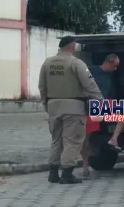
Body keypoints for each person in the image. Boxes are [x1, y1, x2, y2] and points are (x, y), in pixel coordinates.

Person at [38, 36, 103, 184]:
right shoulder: (76, 63)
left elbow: (42, 86)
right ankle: (67, 174)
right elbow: (89, 84)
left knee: (56, 140)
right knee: (72, 141)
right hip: (73, 106)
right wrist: (100, 101)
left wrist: (46, 103)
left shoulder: (47, 63)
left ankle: (53, 173)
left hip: (53, 105)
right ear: (72, 46)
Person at [81, 53, 120, 179]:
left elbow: (112, 94)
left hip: (105, 104)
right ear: (108, 62)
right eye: (114, 66)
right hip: (91, 105)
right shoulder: (91, 71)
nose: (115, 69)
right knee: (86, 138)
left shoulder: (110, 76)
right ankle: (85, 166)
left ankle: (114, 139)